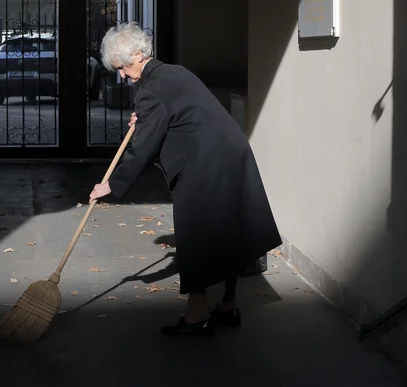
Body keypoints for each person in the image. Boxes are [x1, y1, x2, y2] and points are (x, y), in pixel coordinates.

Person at [89, 22, 282, 337]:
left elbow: (143, 147)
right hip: (231, 154)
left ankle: (197, 317)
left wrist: (113, 183)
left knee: (195, 239)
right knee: (228, 231)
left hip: (204, 164)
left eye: (122, 67)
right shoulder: (176, 72)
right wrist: (149, 117)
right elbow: (181, 113)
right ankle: (228, 306)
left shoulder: (151, 88)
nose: (121, 75)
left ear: (137, 55)